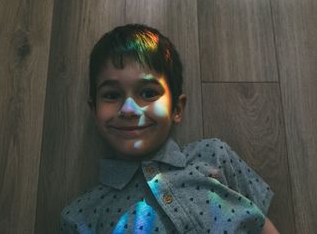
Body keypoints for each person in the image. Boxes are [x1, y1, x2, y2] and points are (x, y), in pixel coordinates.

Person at [61, 24, 280, 234]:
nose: (128, 110)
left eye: (148, 93)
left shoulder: (214, 155)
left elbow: (259, 223)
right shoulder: (82, 217)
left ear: (177, 108)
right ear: (94, 111)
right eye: (111, 95)